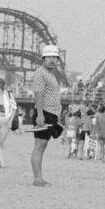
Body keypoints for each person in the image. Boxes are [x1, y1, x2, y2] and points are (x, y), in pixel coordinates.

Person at [30, 45, 65, 186]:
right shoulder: (40, 73)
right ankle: (37, 178)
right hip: (44, 113)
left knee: (43, 145)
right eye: (49, 57)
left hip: (51, 114)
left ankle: (39, 177)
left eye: (55, 58)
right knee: (40, 145)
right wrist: (39, 115)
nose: (52, 60)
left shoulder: (50, 74)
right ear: (43, 59)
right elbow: (38, 94)